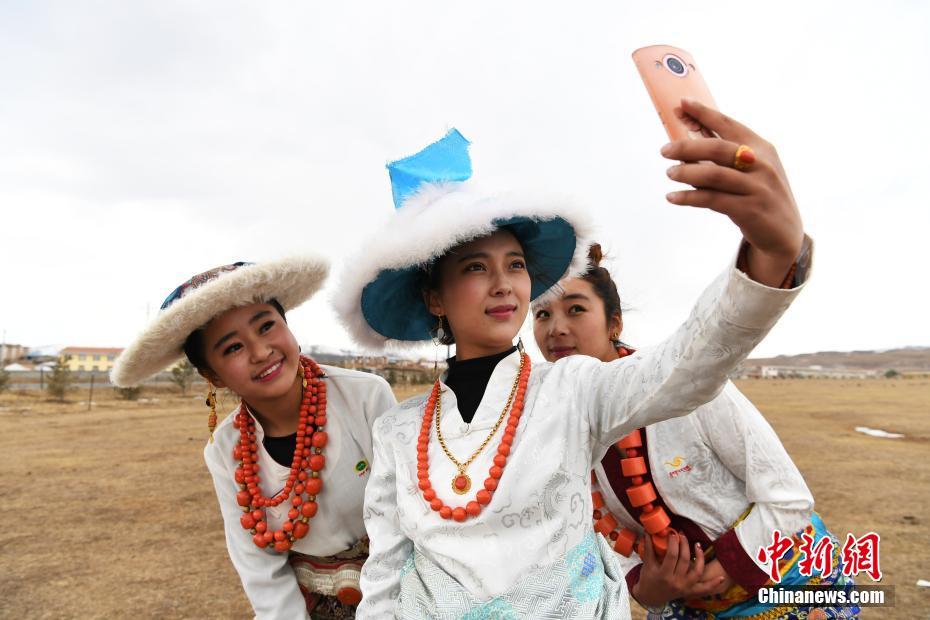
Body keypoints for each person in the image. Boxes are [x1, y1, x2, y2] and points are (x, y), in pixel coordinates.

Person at [335, 98, 813, 619]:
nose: (503, 283)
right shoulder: (398, 431)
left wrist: (769, 257)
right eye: (476, 267)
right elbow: (385, 571)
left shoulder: (573, 388)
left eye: (514, 264)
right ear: (434, 298)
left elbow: (687, 365)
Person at [533, 243, 859, 619]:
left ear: (615, 323)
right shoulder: (559, 426)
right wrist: (647, 588)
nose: (556, 328)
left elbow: (787, 497)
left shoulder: (686, 386)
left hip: (792, 586)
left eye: (576, 309)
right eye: (542, 314)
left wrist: (729, 567)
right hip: (690, 610)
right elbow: (597, 543)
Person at [111, 257, 397, 620]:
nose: (261, 352)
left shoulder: (365, 397)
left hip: (400, 593)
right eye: (232, 348)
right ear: (212, 375)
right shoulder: (225, 451)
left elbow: (403, 517)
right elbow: (260, 567)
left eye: (266, 326)